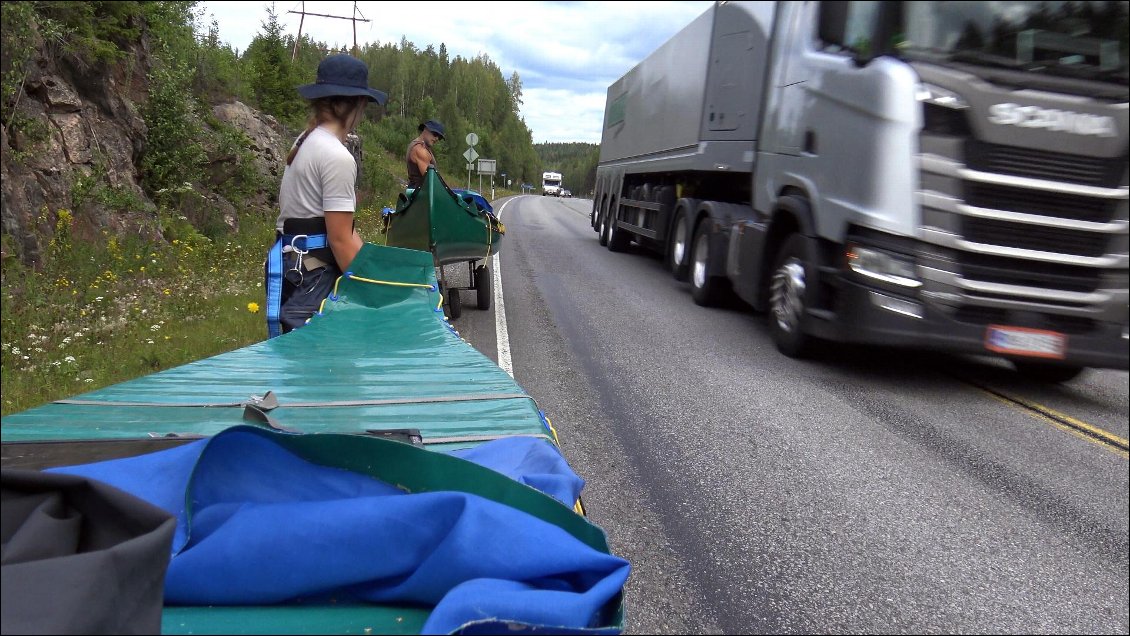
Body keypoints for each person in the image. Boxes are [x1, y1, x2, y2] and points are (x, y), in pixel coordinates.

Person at [265, 54, 387, 338]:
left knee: (298, 367)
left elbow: (344, 231)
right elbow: (340, 238)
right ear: (355, 104)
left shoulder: (305, 140)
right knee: (328, 369)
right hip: (314, 274)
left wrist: (371, 267)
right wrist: (373, 296)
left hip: (291, 265)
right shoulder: (337, 157)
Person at [406, 119, 445, 188]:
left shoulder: (422, 146)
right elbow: (430, 180)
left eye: (439, 137)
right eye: (435, 134)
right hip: (420, 194)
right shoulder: (420, 150)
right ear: (425, 129)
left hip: (419, 192)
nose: (436, 138)